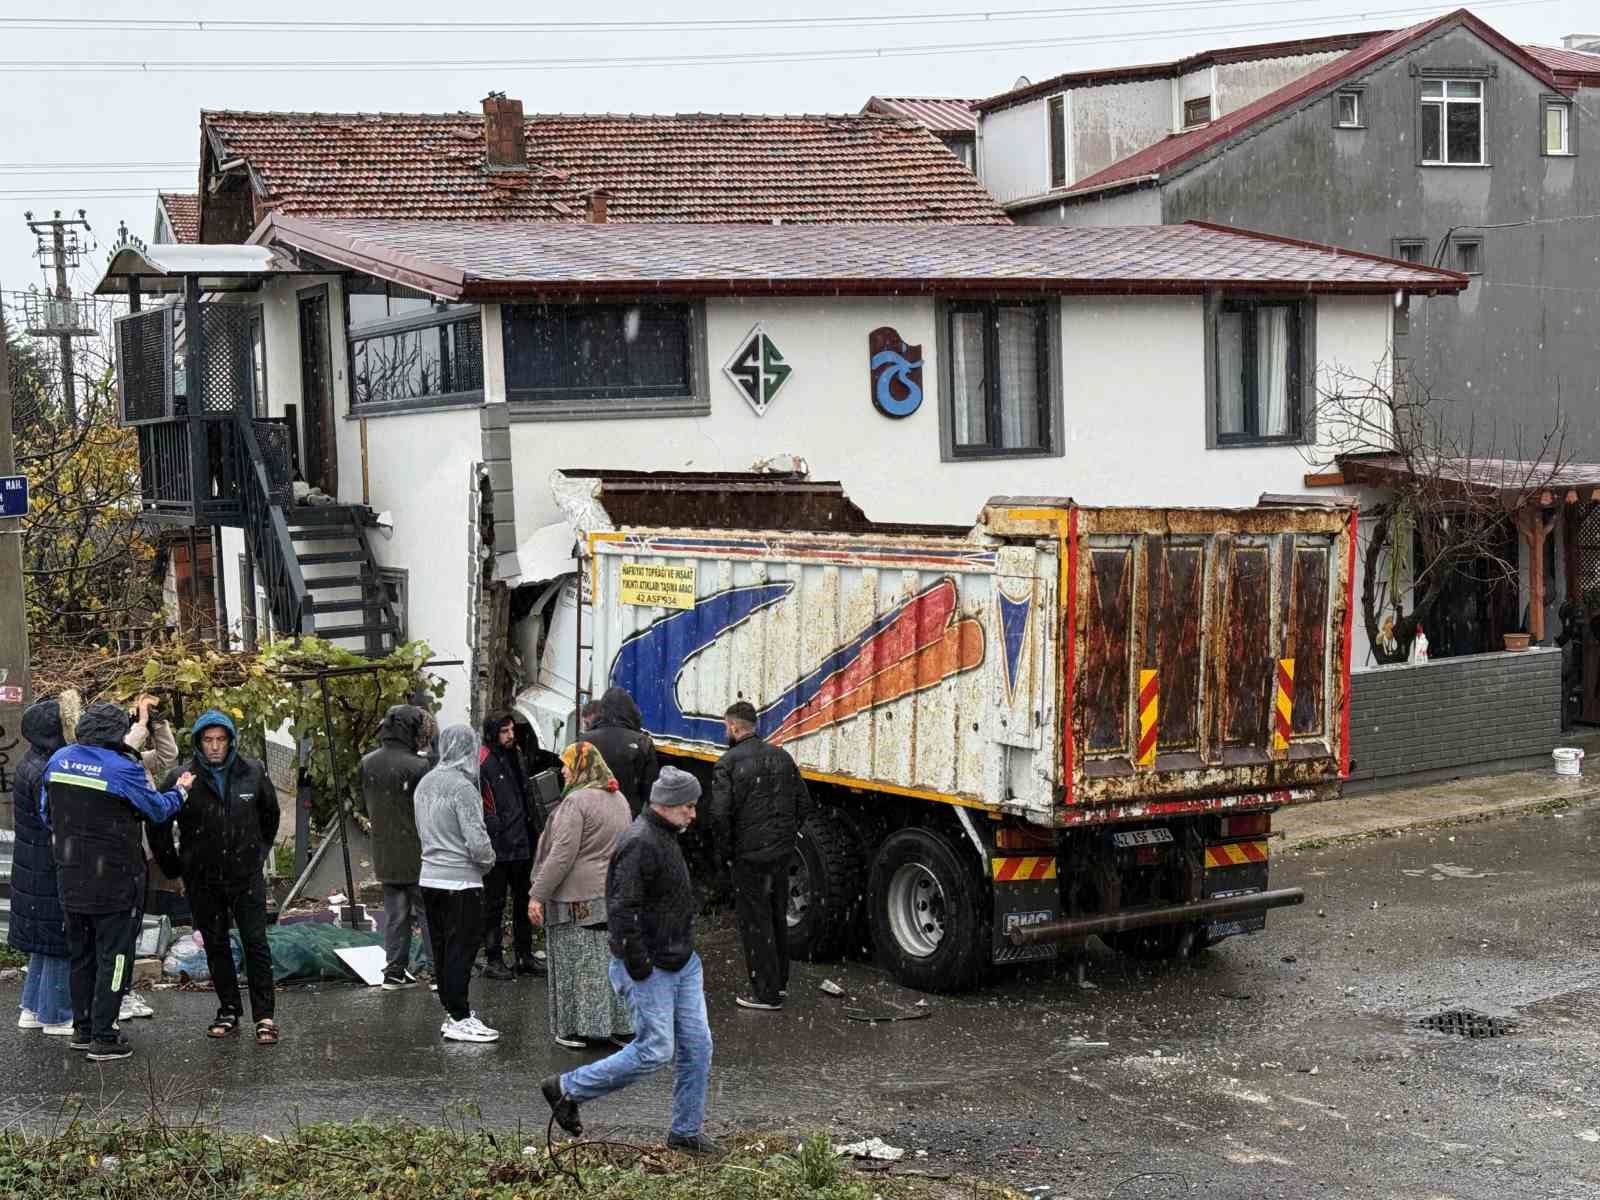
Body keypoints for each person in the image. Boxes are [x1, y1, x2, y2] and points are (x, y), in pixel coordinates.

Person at [541, 766, 717, 1155]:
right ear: (667, 805)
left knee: (698, 1046)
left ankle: (685, 1131)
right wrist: (639, 965)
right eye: (688, 806)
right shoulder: (640, 842)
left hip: (681, 962)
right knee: (656, 1049)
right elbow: (622, 909)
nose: (693, 814)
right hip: (650, 965)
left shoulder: (666, 835)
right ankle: (566, 1088)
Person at [41, 702, 192, 1062]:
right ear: (115, 734)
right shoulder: (122, 768)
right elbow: (157, 810)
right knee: (116, 957)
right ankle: (105, 1037)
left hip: (71, 876)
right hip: (115, 881)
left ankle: (83, 1028)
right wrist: (182, 790)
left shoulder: (59, 759)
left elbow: (46, 814)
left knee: (82, 955)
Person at [150, 710, 281, 1046]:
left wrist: (257, 852)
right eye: (207, 740)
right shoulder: (183, 777)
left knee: (255, 943)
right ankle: (228, 1009)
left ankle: (265, 1016)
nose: (214, 747)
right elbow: (158, 821)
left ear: (230, 741)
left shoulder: (252, 772)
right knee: (216, 943)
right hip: (202, 877)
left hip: (245, 875)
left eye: (220, 740)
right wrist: (174, 867)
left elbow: (270, 816)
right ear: (198, 742)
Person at [528, 741, 633, 1050]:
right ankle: (619, 1026)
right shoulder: (619, 799)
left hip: (576, 899)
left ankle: (578, 1029)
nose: (562, 770)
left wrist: (538, 894)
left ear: (581, 767)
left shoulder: (575, 803)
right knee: (608, 962)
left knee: (577, 965)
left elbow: (562, 855)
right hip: (610, 896)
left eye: (567, 764)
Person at [710, 701, 812, 1012]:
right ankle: (778, 984)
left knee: (756, 923)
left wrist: (727, 853)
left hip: (749, 857)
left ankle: (765, 993)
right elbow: (803, 804)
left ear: (733, 727)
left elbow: (719, 816)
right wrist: (785, 835)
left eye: (726, 727)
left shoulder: (727, 763)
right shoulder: (782, 758)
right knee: (776, 916)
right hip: (780, 855)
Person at [415, 724, 499, 1042]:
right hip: (461, 881)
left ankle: (452, 1012)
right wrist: (488, 861)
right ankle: (460, 1017)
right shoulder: (463, 788)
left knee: (441, 948)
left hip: (429, 877)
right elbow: (476, 841)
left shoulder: (425, 783)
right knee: (461, 951)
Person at [9, 699, 73, 1036]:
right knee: (59, 938)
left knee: (43, 943)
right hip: (48, 869)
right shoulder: (48, 770)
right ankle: (58, 1014)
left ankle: (32, 1007)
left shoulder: (30, 762)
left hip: (32, 867)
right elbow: (55, 821)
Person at [359, 704, 433, 990]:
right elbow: (427, 808)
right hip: (418, 851)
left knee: (395, 915)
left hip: (385, 850)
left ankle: (394, 972)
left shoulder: (368, 763)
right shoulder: (419, 766)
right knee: (428, 914)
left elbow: (366, 803)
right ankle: (437, 972)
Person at [118, 693, 180, 1024]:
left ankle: (121, 991)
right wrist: (139, 724)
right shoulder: (116, 764)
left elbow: (169, 755)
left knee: (133, 924)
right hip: (123, 856)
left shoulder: (136, 761)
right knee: (121, 929)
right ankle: (118, 994)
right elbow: (159, 806)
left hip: (141, 853)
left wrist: (157, 723)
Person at [478, 712, 539, 980]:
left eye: (512, 730)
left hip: (521, 840)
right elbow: (483, 802)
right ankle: (493, 957)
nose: (510, 735)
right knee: (494, 903)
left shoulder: (516, 755)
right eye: (504, 731)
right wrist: (495, 828)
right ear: (493, 733)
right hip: (499, 845)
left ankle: (524, 955)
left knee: (523, 899)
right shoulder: (483, 760)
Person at [583, 687, 661, 818]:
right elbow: (650, 792)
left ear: (601, 711)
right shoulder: (643, 743)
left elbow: (572, 783)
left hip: (590, 816)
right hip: (627, 817)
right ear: (632, 712)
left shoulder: (584, 740)